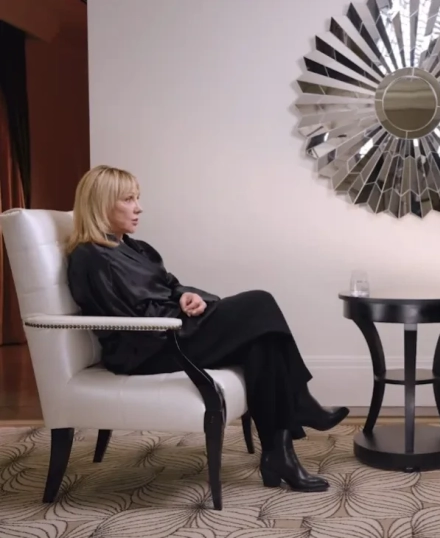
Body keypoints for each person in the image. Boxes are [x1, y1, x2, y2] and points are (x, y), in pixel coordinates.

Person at [65, 165, 349, 493]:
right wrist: (180, 311)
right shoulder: (91, 258)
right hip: (146, 348)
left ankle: (279, 455)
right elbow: (131, 319)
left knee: (262, 341)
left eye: (137, 198)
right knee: (259, 302)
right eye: (128, 200)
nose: (138, 208)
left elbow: (169, 285)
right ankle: (300, 404)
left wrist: (186, 296)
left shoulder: (136, 248)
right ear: (101, 204)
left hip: (172, 330)